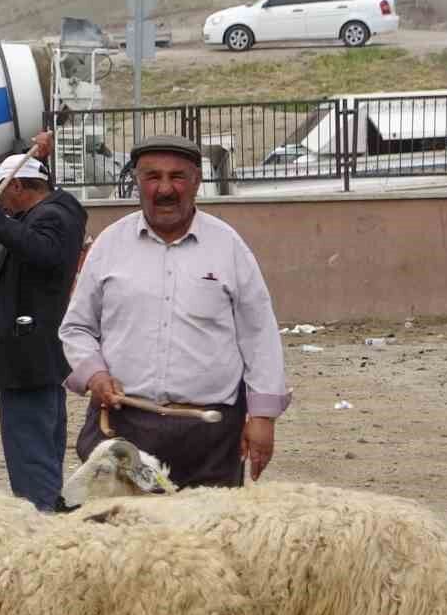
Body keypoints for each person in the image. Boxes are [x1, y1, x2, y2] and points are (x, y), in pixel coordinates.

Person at [60, 133, 288, 487]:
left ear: (197, 182)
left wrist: (262, 418)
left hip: (210, 437)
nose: (165, 189)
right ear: (137, 182)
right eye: (152, 177)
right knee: (123, 535)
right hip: (125, 430)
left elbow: (259, 336)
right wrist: (95, 375)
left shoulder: (228, 247)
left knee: (205, 539)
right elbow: (76, 328)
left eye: (177, 177)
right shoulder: (110, 244)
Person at [0, 133, 86, 512]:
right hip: (35, 352)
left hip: (27, 353)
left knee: (30, 446)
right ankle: (48, 504)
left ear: (17, 185)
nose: (3, 204)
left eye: (4, 194)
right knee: (41, 439)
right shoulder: (58, 209)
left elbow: (40, 251)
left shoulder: (50, 217)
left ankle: (42, 515)